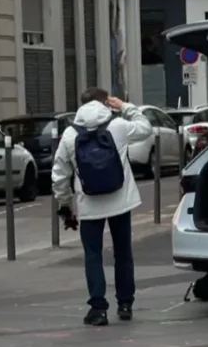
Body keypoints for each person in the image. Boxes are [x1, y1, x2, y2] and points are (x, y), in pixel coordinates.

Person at [52, 88, 153, 326]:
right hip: (120, 201)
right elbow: (146, 128)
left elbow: (59, 176)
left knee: (93, 256)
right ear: (106, 102)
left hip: (89, 205)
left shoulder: (69, 134)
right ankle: (125, 304)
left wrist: (66, 205)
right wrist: (125, 106)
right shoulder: (118, 125)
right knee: (123, 253)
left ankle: (98, 309)